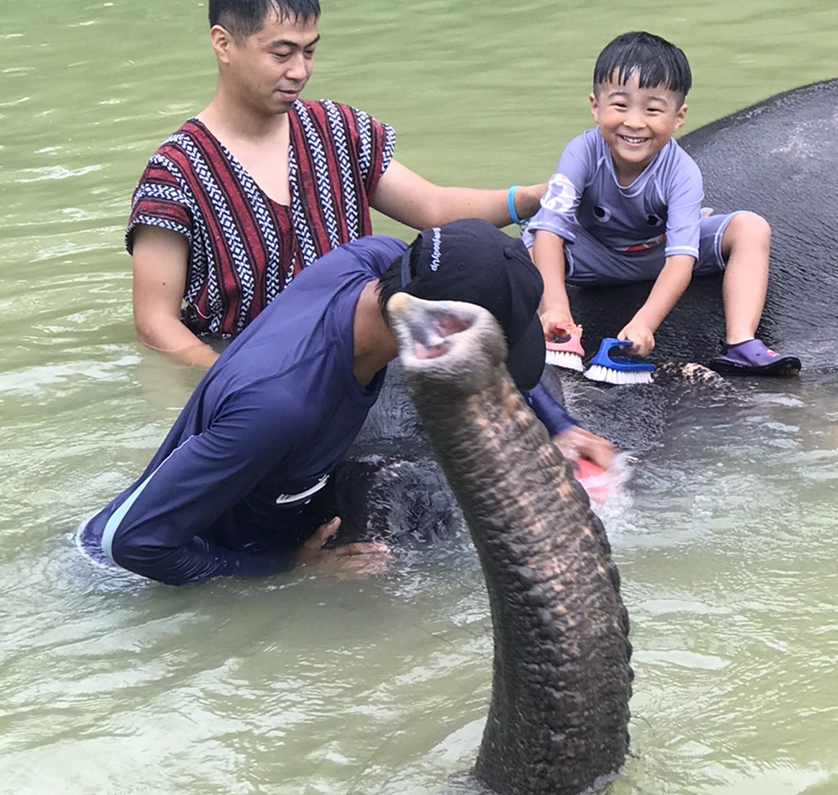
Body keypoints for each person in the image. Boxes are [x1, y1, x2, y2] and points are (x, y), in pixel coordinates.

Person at [80, 220, 617, 586]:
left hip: (238, 490)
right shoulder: (282, 405)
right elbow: (131, 543)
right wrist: (289, 569)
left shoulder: (378, 260)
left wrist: (559, 424)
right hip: (152, 566)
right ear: (435, 335)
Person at [129, 0, 547, 369]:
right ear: (223, 43)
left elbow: (432, 208)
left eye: (309, 51)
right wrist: (233, 375)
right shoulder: (175, 172)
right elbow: (155, 321)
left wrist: (527, 200)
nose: (300, 71)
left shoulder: (336, 129)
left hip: (354, 354)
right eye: (282, 53)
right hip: (247, 363)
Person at [526, 30, 800, 375]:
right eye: (620, 105)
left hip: (658, 252)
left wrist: (644, 324)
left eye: (653, 109)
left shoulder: (682, 171)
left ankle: (741, 341)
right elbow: (551, 230)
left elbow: (682, 260)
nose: (635, 122)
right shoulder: (580, 152)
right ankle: (548, 329)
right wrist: (556, 308)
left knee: (751, 227)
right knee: (532, 244)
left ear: (678, 118)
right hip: (592, 255)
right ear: (596, 107)